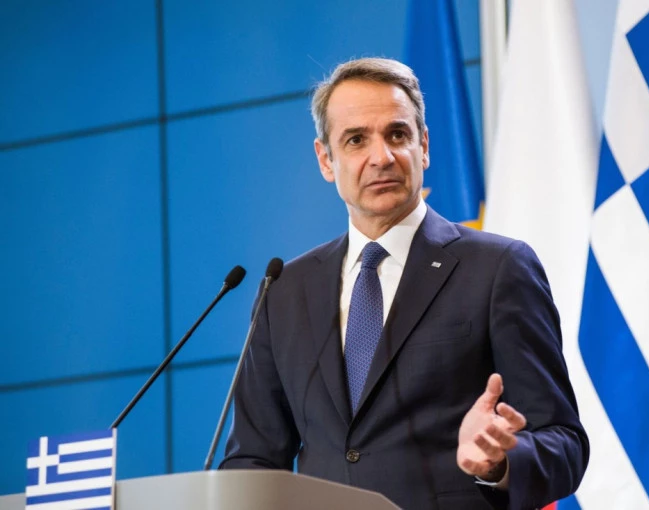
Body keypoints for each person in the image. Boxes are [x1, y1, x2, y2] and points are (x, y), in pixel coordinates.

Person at [221, 57, 588, 509]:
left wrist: (498, 462)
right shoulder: (285, 291)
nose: (382, 157)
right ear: (326, 159)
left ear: (424, 146)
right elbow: (254, 459)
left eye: (397, 134)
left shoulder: (498, 269)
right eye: (356, 140)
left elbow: (564, 442)